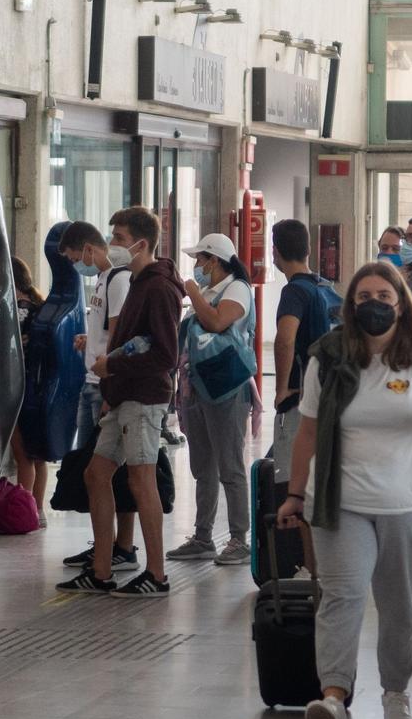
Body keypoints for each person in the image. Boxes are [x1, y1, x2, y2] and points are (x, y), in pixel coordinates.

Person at [279, 261, 412, 719]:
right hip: (340, 500)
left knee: (398, 605)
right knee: (342, 597)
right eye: (364, 297)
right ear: (350, 305)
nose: (374, 305)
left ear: (401, 303)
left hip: (409, 501)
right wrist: (295, 493)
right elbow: (306, 431)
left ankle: (395, 691)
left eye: (384, 296)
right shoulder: (328, 356)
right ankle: (334, 699)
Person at [57, 207, 183, 596]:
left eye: (119, 239)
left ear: (141, 244)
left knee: (141, 480)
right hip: (122, 395)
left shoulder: (158, 288)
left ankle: (157, 575)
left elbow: (165, 355)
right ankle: (102, 570)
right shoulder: (140, 282)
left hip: (144, 398)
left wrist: (114, 365)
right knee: (96, 474)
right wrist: (111, 386)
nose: (113, 244)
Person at [168, 232, 256, 567]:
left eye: (200, 260)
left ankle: (239, 539)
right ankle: (203, 537)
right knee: (202, 465)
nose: (197, 267)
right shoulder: (209, 291)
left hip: (227, 388)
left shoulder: (237, 289)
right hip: (198, 388)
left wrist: (192, 292)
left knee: (230, 466)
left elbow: (218, 322)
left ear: (214, 260)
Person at [57, 221, 140, 572]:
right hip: (92, 381)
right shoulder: (103, 279)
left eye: (77, 257)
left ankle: (121, 547)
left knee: (110, 471)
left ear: (89, 249)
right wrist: (87, 342)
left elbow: (120, 333)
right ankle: (103, 545)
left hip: (103, 384)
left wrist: (111, 387)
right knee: (95, 471)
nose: (77, 263)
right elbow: (105, 329)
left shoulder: (120, 279)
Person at [268, 219, 334, 472]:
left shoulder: (294, 292)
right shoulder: (321, 287)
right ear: (308, 249)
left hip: (298, 395)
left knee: (291, 473)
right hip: (322, 392)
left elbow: (286, 339)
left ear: (276, 251)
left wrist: (282, 388)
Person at [8, 255, 48, 512]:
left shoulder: (16, 309)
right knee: (37, 455)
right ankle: (38, 509)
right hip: (39, 387)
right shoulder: (39, 305)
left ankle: (25, 511)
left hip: (17, 386)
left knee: (22, 454)